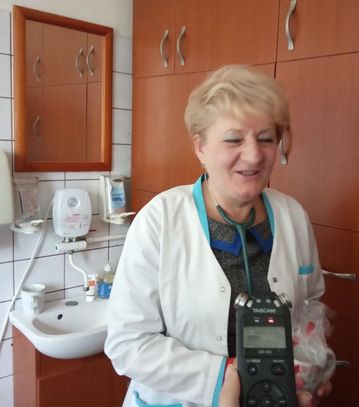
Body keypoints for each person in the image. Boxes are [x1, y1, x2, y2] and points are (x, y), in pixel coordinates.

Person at [105, 64, 329, 406]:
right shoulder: (160, 219)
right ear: (200, 147)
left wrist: (309, 367)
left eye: (266, 138)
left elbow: (309, 308)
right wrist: (229, 376)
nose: (254, 155)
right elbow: (128, 343)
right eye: (234, 139)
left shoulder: (293, 216)